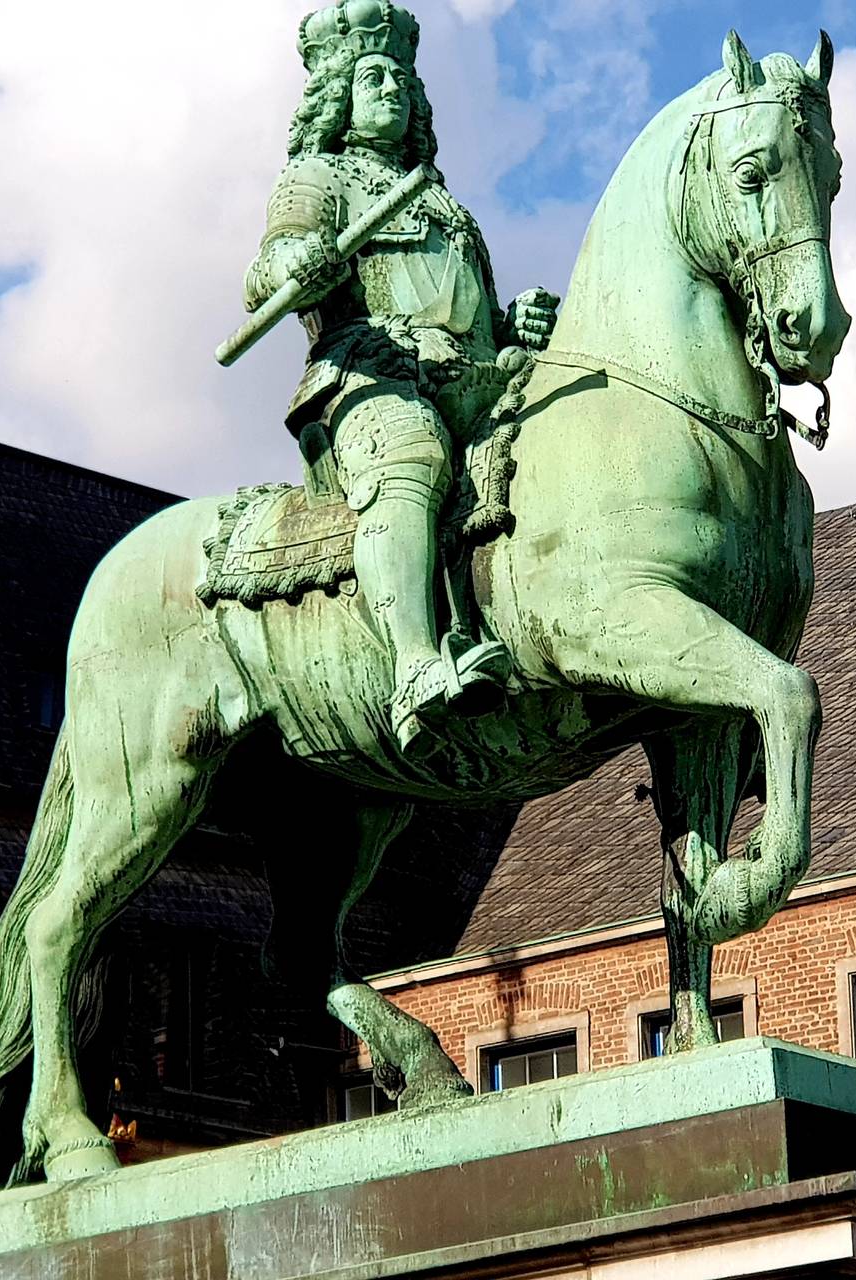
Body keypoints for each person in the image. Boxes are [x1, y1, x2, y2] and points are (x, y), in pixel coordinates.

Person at [244, 0, 558, 755]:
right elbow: (267, 272)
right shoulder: (316, 177)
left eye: (402, 79)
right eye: (373, 77)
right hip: (373, 376)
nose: (393, 89)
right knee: (412, 463)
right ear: (339, 100)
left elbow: (465, 308)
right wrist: (299, 265)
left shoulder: (442, 199)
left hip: (478, 376)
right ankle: (417, 666)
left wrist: (515, 322)